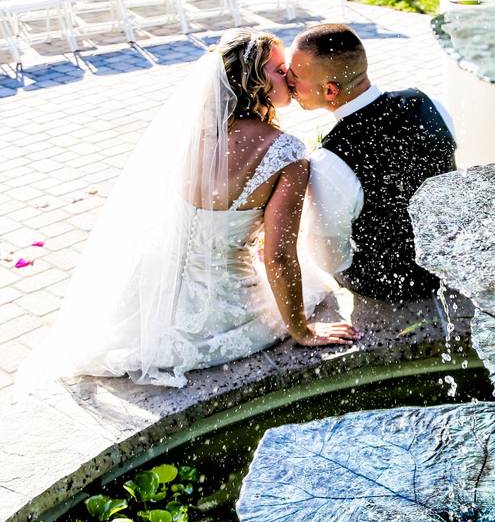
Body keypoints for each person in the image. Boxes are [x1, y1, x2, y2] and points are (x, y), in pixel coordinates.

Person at [17, 29, 358, 391]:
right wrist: (301, 329)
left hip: (153, 294)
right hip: (226, 310)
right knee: (312, 284)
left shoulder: (189, 134)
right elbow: (279, 256)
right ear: (252, 82)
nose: (289, 75)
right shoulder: (286, 152)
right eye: (278, 69)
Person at [286, 23, 457, 301]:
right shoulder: (430, 103)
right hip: (447, 262)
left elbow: (328, 257)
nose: (288, 81)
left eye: (295, 75)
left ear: (330, 91)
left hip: (388, 283)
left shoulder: (332, 159)